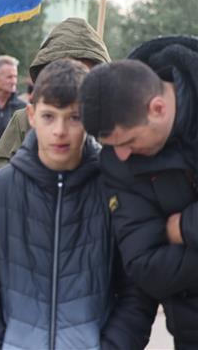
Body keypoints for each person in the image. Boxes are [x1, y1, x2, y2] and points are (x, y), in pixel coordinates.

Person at [0, 59, 157, 349]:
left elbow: (137, 286)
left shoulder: (115, 191)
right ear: (32, 115)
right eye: (49, 116)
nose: (60, 131)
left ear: (89, 117)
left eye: (73, 117)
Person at [79, 35, 198, 348]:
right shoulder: (117, 163)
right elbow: (146, 266)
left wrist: (185, 227)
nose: (120, 155)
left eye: (128, 140)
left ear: (157, 108)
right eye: (111, 146)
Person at [0, 18, 111, 182]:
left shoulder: (114, 121)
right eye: (64, 68)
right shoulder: (26, 119)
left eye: (83, 71)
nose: (73, 76)